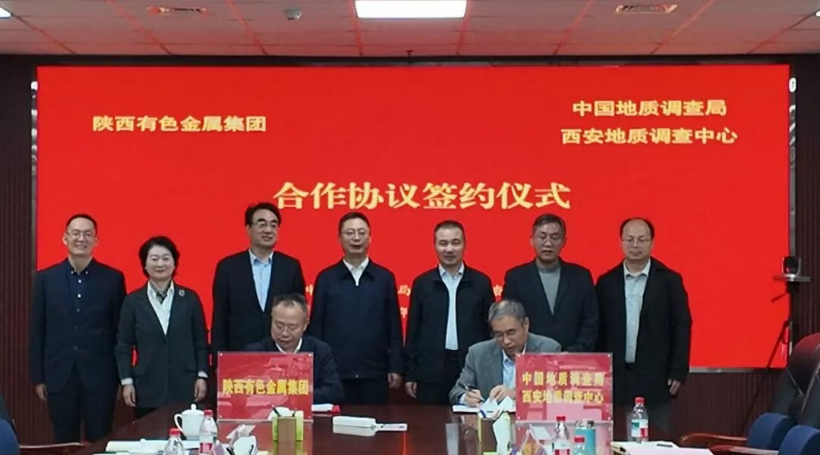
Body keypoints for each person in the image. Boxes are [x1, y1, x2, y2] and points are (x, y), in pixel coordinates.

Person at [29, 214, 126, 442]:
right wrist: (38, 377)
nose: (81, 239)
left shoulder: (113, 279)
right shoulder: (46, 279)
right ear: (65, 238)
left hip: (101, 376)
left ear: (96, 240)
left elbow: (120, 332)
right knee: (64, 441)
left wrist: (122, 377)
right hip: (59, 374)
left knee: (100, 439)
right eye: (76, 233)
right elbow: (37, 330)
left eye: (87, 234)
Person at [596, 218, 692, 433]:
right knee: (614, 437)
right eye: (630, 239)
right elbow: (598, 329)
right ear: (621, 242)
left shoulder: (669, 281)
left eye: (642, 240)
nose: (635, 245)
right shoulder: (606, 282)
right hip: (616, 376)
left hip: (656, 376)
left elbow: (681, 326)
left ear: (652, 243)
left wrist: (678, 370)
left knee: (655, 437)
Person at [306, 212, 403, 405]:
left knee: (376, 422)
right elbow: (317, 327)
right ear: (339, 239)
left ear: (370, 237)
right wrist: (316, 367)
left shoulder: (384, 278)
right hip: (335, 374)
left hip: (375, 373)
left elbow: (394, 326)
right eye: (350, 233)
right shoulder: (326, 278)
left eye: (361, 232)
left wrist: (396, 366)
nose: (356, 238)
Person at [115, 236, 209, 418]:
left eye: (166, 258)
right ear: (144, 264)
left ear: (174, 263)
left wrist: (202, 376)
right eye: (154, 258)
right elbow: (124, 345)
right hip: (147, 386)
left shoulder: (190, 299)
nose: (160, 264)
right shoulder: (133, 301)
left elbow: (201, 341)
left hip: (185, 385)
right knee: (147, 433)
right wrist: (127, 381)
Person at [404, 220, 495, 405]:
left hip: (470, 368)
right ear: (434, 246)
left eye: (455, 242)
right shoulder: (422, 283)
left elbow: (490, 332)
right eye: (443, 243)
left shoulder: (481, 282)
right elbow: (413, 332)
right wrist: (411, 374)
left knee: (469, 420)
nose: (449, 249)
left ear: (464, 245)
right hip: (431, 371)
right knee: (430, 421)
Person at [211, 202, 306, 357]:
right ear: (248, 229)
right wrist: (218, 360)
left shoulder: (290, 267)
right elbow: (220, 318)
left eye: (273, 225)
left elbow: (299, 314)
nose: (268, 230)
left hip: (282, 356)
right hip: (240, 354)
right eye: (262, 224)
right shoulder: (228, 267)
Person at [502, 213, 598, 352]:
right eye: (542, 237)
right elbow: (510, 321)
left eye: (555, 237)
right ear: (532, 240)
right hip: (530, 357)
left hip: (573, 358)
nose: (548, 243)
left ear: (564, 241)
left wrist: (575, 352)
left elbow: (590, 322)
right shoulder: (516, 278)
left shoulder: (581, 277)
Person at [449, 299, 560, 406]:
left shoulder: (548, 350)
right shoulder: (478, 354)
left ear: (526, 325)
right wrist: (466, 398)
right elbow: (457, 391)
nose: (506, 341)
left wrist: (517, 394)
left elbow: (558, 393)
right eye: (499, 335)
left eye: (511, 332)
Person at [246, 293, 344, 404]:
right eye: (279, 326)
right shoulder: (255, 352)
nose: (284, 333)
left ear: (305, 325)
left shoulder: (320, 351)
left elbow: (334, 391)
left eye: (292, 327)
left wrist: (294, 396)